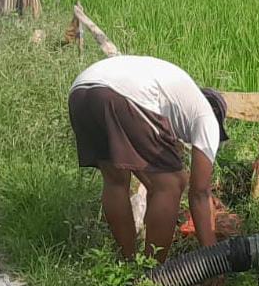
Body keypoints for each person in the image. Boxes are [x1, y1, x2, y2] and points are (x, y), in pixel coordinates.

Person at [69, 55, 229, 262]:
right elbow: (199, 193)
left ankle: (127, 265)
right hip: (122, 93)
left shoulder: (178, 98)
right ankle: (153, 272)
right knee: (172, 183)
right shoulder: (207, 116)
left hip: (80, 92)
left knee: (115, 180)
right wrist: (213, 258)